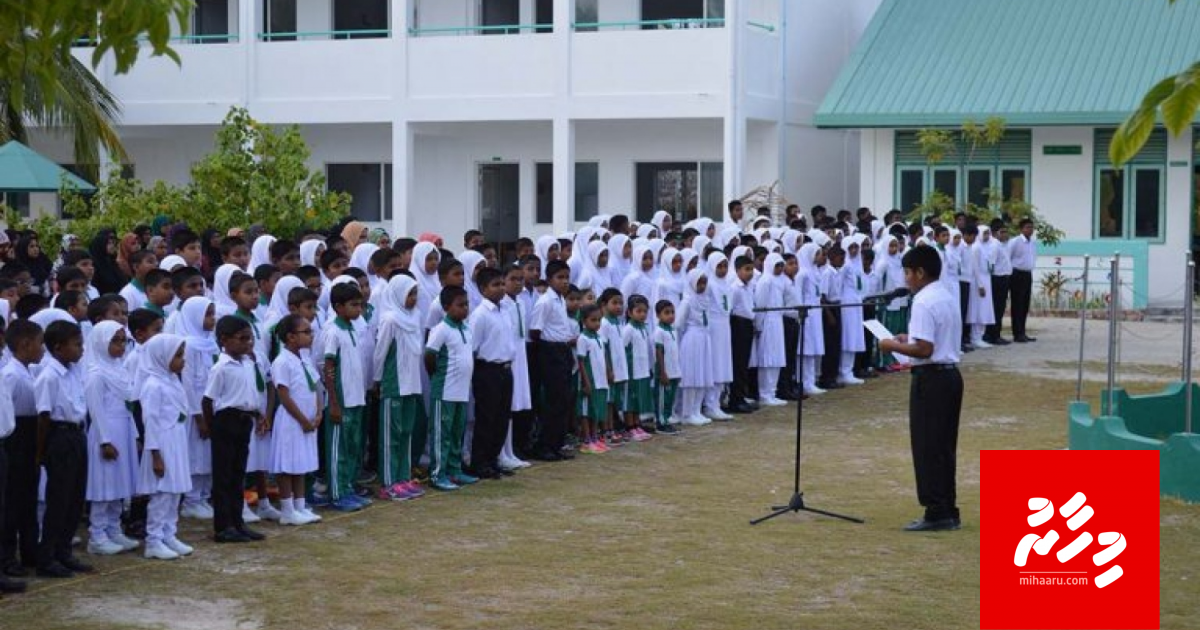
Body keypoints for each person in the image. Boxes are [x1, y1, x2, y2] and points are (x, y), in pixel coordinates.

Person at [878, 245, 963, 532]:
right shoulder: (945, 295)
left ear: (920, 272)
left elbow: (925, 349)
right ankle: (947, 506)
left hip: (932, 378)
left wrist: (892, 345)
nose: (905, 279)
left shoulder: (924, 301)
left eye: (907, 272)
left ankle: (936, 510)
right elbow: (930, 339)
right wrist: (907, 338)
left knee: (928, 445)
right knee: (943, 445)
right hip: (950, 376)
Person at [35, 321, 92, 578]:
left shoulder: (73, 371)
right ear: (58, 348)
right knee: (58, 499)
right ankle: (47, 556)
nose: (82, 349)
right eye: (77, 344)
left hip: (77, 433)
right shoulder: (49, 375)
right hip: (60, 435)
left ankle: (64, 551)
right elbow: (44, 416)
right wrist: (42, 452)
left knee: (75, 498)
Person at [202, 316, 265, 543]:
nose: (248, 343)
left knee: (238, 474)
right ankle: (223, 526)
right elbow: (208, 400)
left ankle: (238, 522)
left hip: (244, 420)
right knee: (224, 476)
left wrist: (258, 414)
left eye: (250, 338)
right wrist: (213, 428)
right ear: (224, 340)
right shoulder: (221, 367)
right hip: (226, 421)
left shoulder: (248, 363)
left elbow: (249, 395)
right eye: (242, 339)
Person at [83, 322, 141, 556]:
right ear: (100, 342)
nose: (120, 346)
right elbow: (95, 410)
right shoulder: (96, 374)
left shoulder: (120, 369)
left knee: (120, 483)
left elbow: (128, 406)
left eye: (122, 341)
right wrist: (105, 441)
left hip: (123, 429)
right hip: (106, 431)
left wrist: (135, 434)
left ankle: (114, 529)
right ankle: (97, 535)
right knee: (104, 485)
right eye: (114, 341)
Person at [136, 334, 195, 560]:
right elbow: (150, 422)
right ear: (162, 356)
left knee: (175, 491)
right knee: (162, 493)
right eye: (178, 355)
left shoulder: (172, 379)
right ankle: (154, 540)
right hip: (161, 442)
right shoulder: (153, 385)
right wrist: (156, 456)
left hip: (176, 439)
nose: (183, 360)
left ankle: (169, 534)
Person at [372, 276, 426, 500]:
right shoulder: (390, 320)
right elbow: (380, 353)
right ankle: (388, 482)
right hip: (394, 384)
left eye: (415, 294)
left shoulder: (415, 317)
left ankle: (403, 477)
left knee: (406, 433)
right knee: (391, 436)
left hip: (412, 384)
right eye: (409, 294)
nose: (413, 299)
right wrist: (377, 380)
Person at [270, 314, 325, 524]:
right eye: (306, 332)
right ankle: (287, 509)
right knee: (287, 464)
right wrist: (302, 420)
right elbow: (283, 395)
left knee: (301, 463)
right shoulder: (282, 361)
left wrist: (319, 412)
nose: (311, 336)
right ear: (291, 337)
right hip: (292, 421)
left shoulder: (305, 358)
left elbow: (316, 387)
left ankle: (300, 506)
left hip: (309, 420)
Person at [0, 320, 41, 590]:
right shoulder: (11, 374)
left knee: (28, 496)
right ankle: (6, 558)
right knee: (10, 501)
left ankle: (29, 549)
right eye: (39, 343)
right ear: (26, 344)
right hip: (14, 437)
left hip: (26, 433)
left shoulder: (27, 371)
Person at [322, 283, 369, 511]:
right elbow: (328, 366)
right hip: (341, 399)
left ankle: (348, 487)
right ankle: (337, 493)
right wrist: (333, 401)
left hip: (356, 398)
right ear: (338, 307)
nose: (358, 309)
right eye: (353, 305)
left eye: (360, 305)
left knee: (352, 447)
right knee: (338, 449)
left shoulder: (352, 329)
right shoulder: (333, 331)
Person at [424, 286, 477, 491]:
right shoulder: (441, 329)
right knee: (441, 434)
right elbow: (429, 355)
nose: (465, 309)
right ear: (446, 307)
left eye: (466, 304)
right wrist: (436, 375)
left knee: (457, 433)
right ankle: (437, 474)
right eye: (460, 305)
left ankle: (455, 470)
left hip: (462, 391)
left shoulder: (466, 328)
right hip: (445, 390)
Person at [466, 267, 515, 479]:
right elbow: (473, 347)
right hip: (487, 370)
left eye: (502, 284)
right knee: (486, 417)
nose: (501, 288)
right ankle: (480, 461)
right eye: (495, 285)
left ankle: (494, 459)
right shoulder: (479, 315)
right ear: (483, 289)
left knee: (502, 418)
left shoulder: (505, 310)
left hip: (505, 369)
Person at [529, 260, 577, 461]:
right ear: (549, 280)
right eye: (560, 278)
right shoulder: (545, 301)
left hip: (563, 350)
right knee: (552, 400)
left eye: (567, 277)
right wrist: (551, 347)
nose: (565, 282)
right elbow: (535, 331)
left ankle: (557, 444)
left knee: (563, 401)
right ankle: (545, 445)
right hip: (550, 351)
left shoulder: (560, 300)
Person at [177, 297, 218, 520]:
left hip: (211, 407)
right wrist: (199, 415)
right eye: (207, 314)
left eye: (213, 313)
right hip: (196, 411)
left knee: (207, 455)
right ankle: (191, 499)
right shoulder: (189, 345)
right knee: (195, 454)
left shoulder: (209, 342)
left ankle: (203, 496)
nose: (213, 319)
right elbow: (188, 383)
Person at [676, 269, 713, 426]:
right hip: (692, 339)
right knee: (691, 376)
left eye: (704, 282)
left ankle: (696, 410)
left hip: (704, 338)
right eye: (699, 282)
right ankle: (686, 412)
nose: (702, 286)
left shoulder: (705, 299)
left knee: (702, 375)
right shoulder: (687, 301)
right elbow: (678, 323)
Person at [753, 254, 788, 407]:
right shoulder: (765, 281)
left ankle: (772, 391)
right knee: (767, 358)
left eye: (782, 266)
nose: (780, 269)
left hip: (777, 320)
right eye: (777, 266)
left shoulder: (780, 281)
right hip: (767, 321)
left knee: (777, 358)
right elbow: (760, 305)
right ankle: (764, 393)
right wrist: (759, 326)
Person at [575, 304, 609, 453]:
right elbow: (581, 361)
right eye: (593, 320)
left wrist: (608, 371)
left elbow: (603, 357)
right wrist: (586, 381)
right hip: (590, 380)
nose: (597, 324)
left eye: (599, 320)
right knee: (586, 411)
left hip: (601, 380)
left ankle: (595, 437)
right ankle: (586, 440)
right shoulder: (583, 338)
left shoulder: (599, 338)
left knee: (597, 410)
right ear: (584, 321)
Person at [653, 300, 683, 430]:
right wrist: (662, 372)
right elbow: (659, 352)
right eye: (666, 313)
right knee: (662, 398)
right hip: (665, 372)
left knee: (670, 398)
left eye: (672, 312)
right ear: (658, 315)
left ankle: (667, 418)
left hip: (674, 370)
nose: (671, 315)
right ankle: (661, 422)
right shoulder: (659, 331)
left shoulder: (673, 330)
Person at [1008, 218, 1037, 342]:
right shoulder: (1015, 242)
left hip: (1027, 274)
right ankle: (1017, 333)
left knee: (1025, 304)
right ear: (1021, 229)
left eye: (1031, 227)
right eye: (1027, 227)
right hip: (1017, 274)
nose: (1030, 230)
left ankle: (1022, 332)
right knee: (1017, 304)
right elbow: (1008, 257)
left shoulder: (1032, 242)